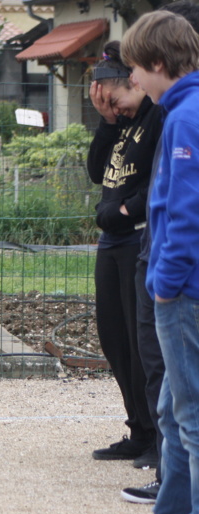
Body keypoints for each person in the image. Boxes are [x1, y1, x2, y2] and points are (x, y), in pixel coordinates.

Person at [120, 9, 199, 514]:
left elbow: (184, 212)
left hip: (184, 293)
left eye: (135, 72)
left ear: (156, 64)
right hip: (181, 288)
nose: (133, 85)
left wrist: (165, 285)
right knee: (173, 413)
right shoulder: (182, 112)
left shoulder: (186, 118)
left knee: (191, 417)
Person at [86, 42, 161, 470]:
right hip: (111, 241)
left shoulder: (158, 117)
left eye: (115, 98)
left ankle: (156, 436)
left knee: (141, 342)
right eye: (104, 103)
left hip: (137, 238)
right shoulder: (120, 120)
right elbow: (98, 172)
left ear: (134, 81)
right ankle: (137, 428)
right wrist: (107, 122)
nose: (115, 107)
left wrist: (127, 208)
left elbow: (162, 178)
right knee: (114, 338)